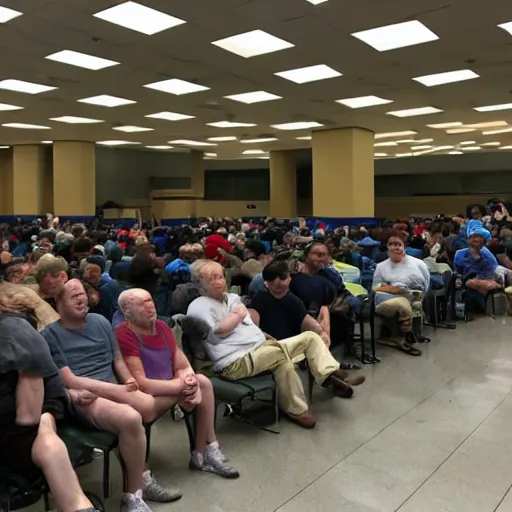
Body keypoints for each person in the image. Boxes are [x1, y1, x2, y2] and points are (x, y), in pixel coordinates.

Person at [41, 279, 181, 510]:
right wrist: (119, 389)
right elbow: (70, 380)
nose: (82, 298)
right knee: (131, 416)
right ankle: (135, 495)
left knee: (142, 408)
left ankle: (139, 484)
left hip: (112, 385)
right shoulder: (50, 334)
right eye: (73, 295)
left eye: (83, 293)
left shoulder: (100, 321)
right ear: (58, 302)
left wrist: (128, 379)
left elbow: (117, 359)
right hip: (83, 395)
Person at [187, 260, 355, 430]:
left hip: (261, 349)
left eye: (221, 277)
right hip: (235, 361)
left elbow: (248, 326)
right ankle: (329, 377)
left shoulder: (232, 298)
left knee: (308, 340)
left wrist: (238, 319)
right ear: (200, 283)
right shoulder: (198, 306)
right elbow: (218, 333)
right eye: (212, 279)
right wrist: (237, 315)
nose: (219, 281)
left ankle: (301, 405)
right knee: (281, 355)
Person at [115, 288, 239, 478]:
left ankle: (205, 451)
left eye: (150, 300)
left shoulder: (162, 327)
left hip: (171, 385)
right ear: (126, 310)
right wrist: (182, 387)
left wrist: (187, 377)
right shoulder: (124, 334)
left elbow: (181, 363)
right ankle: (204, 454)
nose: (150, 306)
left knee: (202, 381)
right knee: (200, 385)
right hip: (147, 395)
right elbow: (142, 383)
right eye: (142, 303)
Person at [0, 309, 99, 512]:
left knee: (47, 443)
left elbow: (28, 419)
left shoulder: (14, 331)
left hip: (30, 421)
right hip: (32, 414)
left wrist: (47, 420)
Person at [248, 261, 365, 387]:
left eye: (282, 278)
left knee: (314, 338)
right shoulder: (259, 299)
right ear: (266, 282)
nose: (278, 283)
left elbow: (307, 321)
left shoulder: (294, 301)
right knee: (311, 338)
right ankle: (337, 374)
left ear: (289, 278)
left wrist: (321, 333)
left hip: (292, 347)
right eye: (272, 280)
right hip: (271, 347)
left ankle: (332, 378)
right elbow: (252, 324)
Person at [372, 231, 431, 356]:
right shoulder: (380, 267)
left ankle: (405, 331)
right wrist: (394, 289)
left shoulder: (419, 264)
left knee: (405, 301)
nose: (395, 247)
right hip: (385, 300)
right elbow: (375, 288)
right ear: (387, 247)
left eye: (399, 244)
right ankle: (407, 331)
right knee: (402, 301)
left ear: (404, 246)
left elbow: (426, 284)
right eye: (392, 244)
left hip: (412, 297)